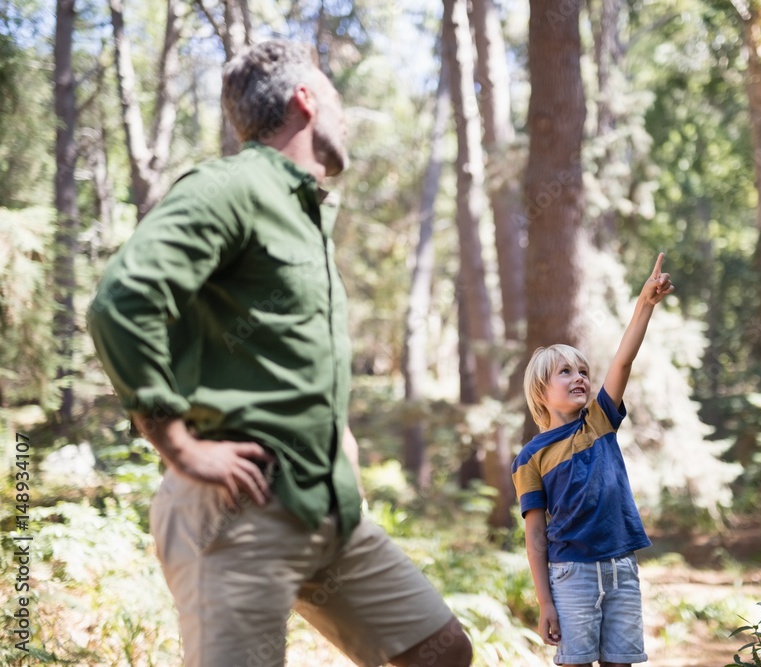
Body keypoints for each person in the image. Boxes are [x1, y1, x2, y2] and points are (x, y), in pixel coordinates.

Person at [87, 39, 472, 667]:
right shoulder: (233, 186)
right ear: (306, 99)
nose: (345, 117)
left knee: (440, 652)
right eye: (337, 99)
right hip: (234, 517)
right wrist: (177, 443)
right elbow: (121, 300)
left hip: (324, 509)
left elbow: (280, 352)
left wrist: (335, 437)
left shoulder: (305, 216)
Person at [511, 254, 674, 667]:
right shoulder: (530, 458)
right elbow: (535, 538)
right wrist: (544, 602)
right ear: (540, 391)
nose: (579, 376)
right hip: (571, 575)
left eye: (582, 369)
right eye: (564, 372)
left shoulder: (599, 420)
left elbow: (622, 360)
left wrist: (645, 304)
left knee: (621, 663)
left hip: (621, 569)